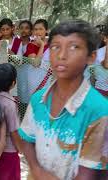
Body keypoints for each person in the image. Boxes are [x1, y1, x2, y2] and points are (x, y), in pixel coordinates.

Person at [19, 20, 108, 180]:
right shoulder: (38, 99)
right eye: (55, 47)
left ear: (91, 57)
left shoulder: (99, 110)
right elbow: (27, 139)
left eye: (74, 47)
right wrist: (36, 170)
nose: (61, 55)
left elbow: (88, 174)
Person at [0, 63, 22, 180]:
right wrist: (20, 147)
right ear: (13, 83)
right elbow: (14, 130)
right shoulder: (10, 104)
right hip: (9, 150)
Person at [23, 19, 52, 101]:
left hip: (47, 80)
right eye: (35, 29)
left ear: (46, 30)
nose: (38, 32)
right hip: (33, 81)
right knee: (34, 103)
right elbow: (35, 63)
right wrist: (42, 45)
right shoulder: (30, 45)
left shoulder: (52, 45)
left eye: (40, 29)